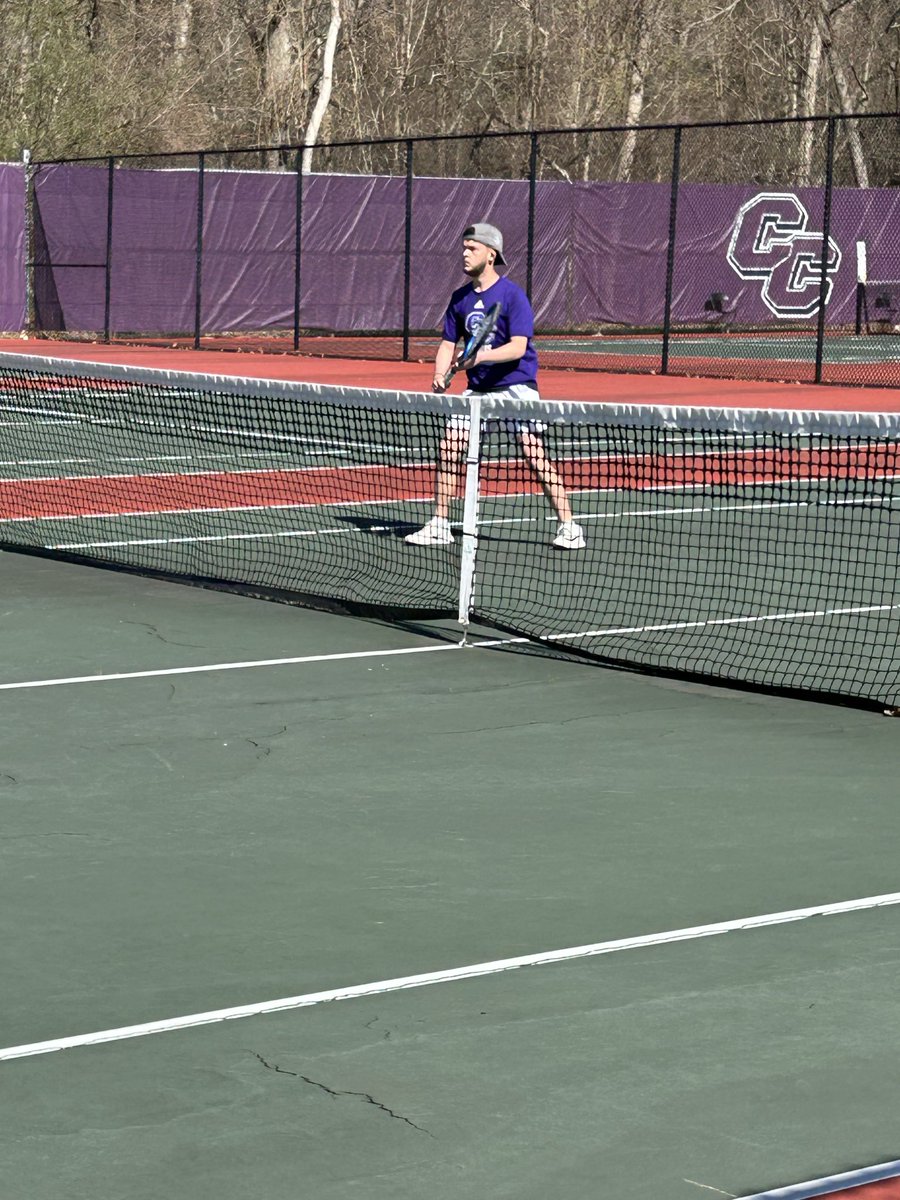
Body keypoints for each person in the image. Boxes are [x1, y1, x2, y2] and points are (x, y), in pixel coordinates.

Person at [404, 222, 586, 550]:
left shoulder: (512, 296)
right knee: (449, 447)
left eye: (472, 248)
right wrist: (440, 372)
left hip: (516, 385)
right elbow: (448, 343)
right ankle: (440, 524)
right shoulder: (459, 299)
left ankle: (569, 526)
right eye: (464, 247)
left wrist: (480, 357)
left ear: (491, 255)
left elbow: (518, 347)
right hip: (478, 391)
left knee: (532, 452)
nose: (465, 253)